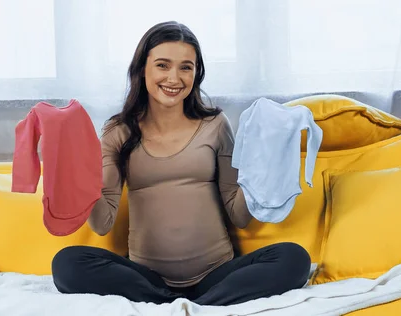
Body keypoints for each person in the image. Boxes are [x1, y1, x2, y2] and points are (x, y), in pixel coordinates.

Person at [51, 21, 310, 306]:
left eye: (186, 67)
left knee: (294, 258)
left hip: (218, 274)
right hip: (147, 278)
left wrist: (267, 159)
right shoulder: (118, 132)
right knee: (67, 264)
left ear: (196, 73)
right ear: (142, 69)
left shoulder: (215, 125)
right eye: (163, 65)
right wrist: (74, 168)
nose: (174, 78)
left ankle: (194, 306)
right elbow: (102, 224)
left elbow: (240, 216)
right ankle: (182, 305)